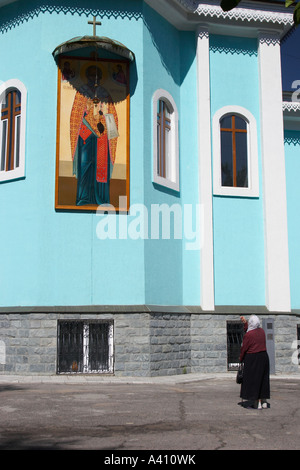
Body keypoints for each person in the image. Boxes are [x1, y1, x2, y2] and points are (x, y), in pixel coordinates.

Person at [239, 315, 270, 409]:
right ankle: (264, 401)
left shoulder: (249, 335)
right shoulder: (262, 331)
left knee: (254, 380)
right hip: (263, 357)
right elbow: (250, 330)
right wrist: (245, 323)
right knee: (263, 379)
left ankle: (257, 402)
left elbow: (244, 348)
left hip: (252, 358)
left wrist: (240, 358)